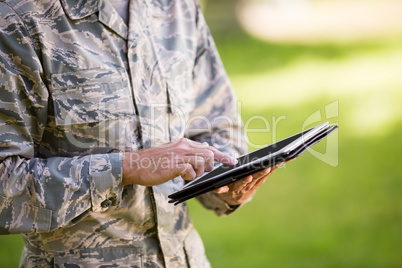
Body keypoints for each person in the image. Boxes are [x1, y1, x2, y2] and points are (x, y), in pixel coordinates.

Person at [0, 0, 277, 267]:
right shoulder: (16, 18)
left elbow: (218, 127)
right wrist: (128, 168)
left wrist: (226, 181)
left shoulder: (177, 6)